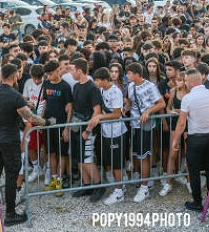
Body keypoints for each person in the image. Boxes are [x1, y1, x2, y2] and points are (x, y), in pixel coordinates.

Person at [0, 63, 55, 226]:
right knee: (11, 176)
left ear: (1, 76)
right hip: (9, 140)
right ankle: (10, 215)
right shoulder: (15, 95)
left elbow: (6, 111)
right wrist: (46, 122)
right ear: (15, 76)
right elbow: (30, 118)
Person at [171, 69, 209, 212]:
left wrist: (175, 140)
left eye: (186, 80)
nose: (185, 83)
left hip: (195, 138)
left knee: (193, 171)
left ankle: (197, 201)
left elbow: (181, 123)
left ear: (192, 82)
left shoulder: (188, 98)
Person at [124, 62, 165, 203]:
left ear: (137, 74)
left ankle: (145, 188)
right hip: (134, 125)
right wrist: (125, 108)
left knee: (144, 156)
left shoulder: (150, 86)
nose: (127, 75)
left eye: (129, 73)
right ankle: (142, 181)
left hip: (146, 126)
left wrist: (148, 111)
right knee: (136, 154)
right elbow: (131, 101)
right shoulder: (130, 86)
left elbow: (161, 103)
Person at [87, 67, 127, 206]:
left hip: (116, 131)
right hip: (106, 131)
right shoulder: (101, 90)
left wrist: (99, 117)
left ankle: (119, 192)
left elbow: (117, 114)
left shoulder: (115, 91)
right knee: (110, 160)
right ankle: (120, 186)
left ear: (105, 80)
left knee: (117, 163)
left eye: (97, 80)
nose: (95, 83)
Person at [69, 58, 104, 202]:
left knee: (88, 159)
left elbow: (97, 111)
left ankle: (98, 186)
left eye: (72, 69)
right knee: (79, 158)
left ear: (79, 71)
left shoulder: (92, 88)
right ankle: (87, 185)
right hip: (77, 128)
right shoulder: (77, 86)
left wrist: (88, 130)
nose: (70, 72)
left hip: (88, 130)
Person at [41, 60, 73, 196]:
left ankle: (60, 180)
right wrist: (42, 121)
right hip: (48, 124)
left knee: (62, 154)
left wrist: (66, 128)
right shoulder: (46, 83)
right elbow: (45, 103)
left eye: (51, 73)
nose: (49, 76)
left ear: (58, 70)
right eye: (47, 74)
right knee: (51, 153)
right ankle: (53, 179)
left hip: (60, 125)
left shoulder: (65, 87)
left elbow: (70, 109)